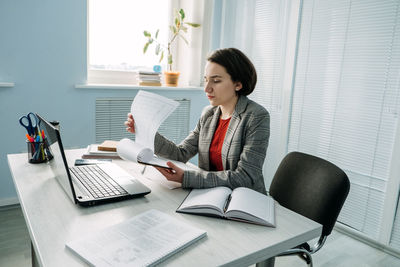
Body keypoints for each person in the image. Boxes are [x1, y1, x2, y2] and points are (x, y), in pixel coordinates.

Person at [125, 48, 270, 194]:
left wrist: (186, 177)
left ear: (238, 84)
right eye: (206, 80)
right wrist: (147, 131)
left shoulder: (256, 116)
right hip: (212, 195)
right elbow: (180, 154)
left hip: (244, 198)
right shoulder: (209, 114)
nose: (207, 88)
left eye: (216, 81)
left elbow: (245, 177)